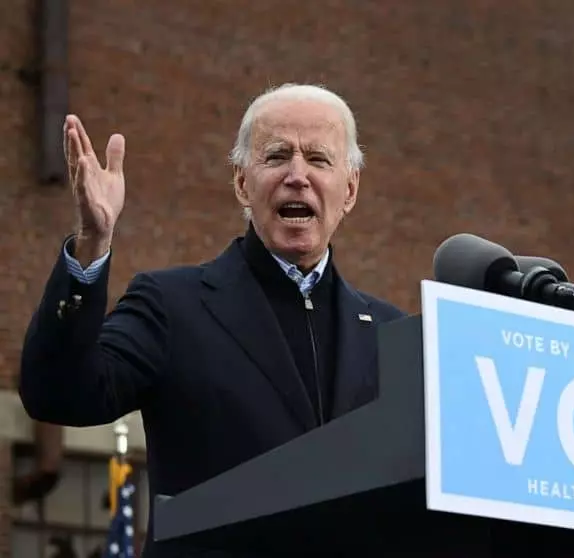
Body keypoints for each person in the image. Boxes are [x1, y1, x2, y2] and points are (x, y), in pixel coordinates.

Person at [18, 83, 407, 557]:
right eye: (277, 155)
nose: (297, 175)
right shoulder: (172, 305)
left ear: (349, 190)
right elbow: (57, 393)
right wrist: (92, 245)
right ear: (242, 183)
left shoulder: (394, 336)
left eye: (319, 160)